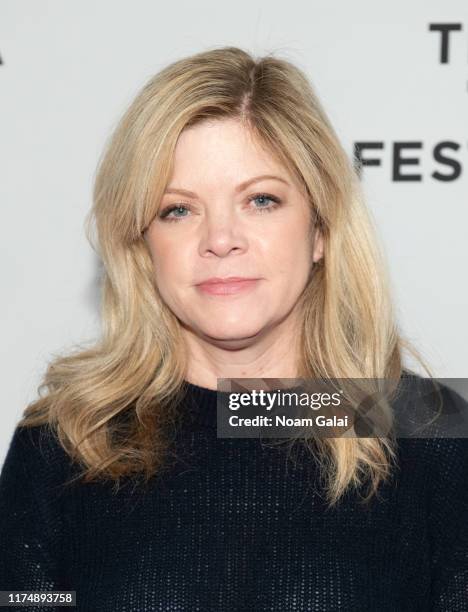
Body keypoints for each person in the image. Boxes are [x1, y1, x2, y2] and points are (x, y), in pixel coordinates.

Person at [0, 46, 467, 611]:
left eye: (261, 200)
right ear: (142, 246)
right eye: (178, 210)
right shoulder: (67, 440)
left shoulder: (433, 431)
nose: (220, 238)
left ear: (320, 230)